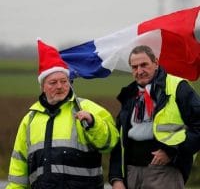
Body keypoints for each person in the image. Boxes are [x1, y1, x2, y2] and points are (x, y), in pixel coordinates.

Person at [6, 39, 119, 189]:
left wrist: (93, 123)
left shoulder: (87, 108)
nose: (60, 86)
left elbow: (111, 143)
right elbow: (18, 169)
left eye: (64, 81)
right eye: (53, 83)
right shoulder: (29, 120)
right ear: (42, 87)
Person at [108, 45, 200, 189]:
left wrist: (171, 152)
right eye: (134, 67)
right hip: (131, 174)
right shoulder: (129, 94)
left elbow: (198, 126)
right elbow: (119, 140)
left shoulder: (177, 87)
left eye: (144, 65)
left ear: (156, 63)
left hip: (165, 172)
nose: (139, 71)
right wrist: (116, 177)